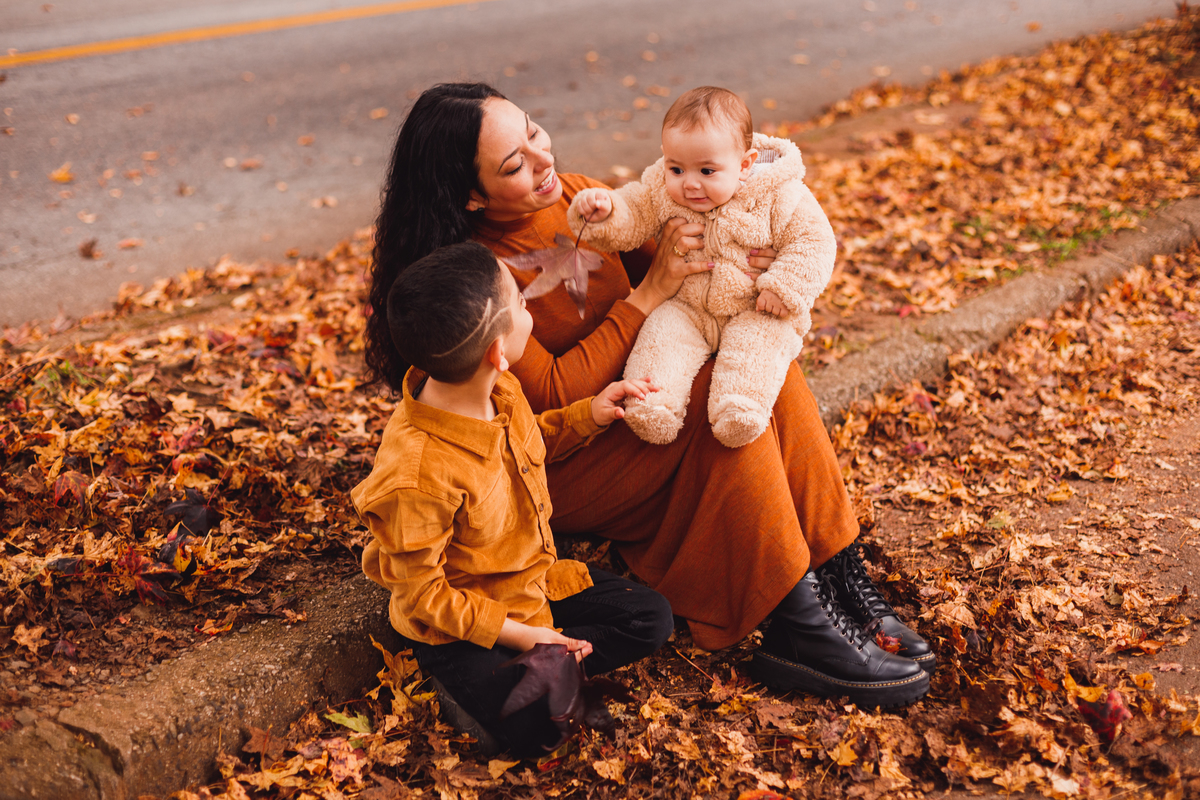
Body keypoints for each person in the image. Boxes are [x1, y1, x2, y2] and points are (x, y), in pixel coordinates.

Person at [365, 82, 934, 709]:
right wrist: (644, 299)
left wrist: (752, 257)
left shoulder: (579, 196)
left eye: (533, 132)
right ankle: (797, 623)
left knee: (766, 374)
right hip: (564, 453)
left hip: (629, 398)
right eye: (514, 165)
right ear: (472, 194)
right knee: (720, 418)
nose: (542, 159)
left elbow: (677, 244)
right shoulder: (476, 280)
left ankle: (839, 579)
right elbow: (553, 393)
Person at [351, 240, 674, 756]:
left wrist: (589, 414)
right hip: (460, 625)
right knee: (541, 733)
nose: (530, 304)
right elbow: (422, 597)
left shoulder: (497, 390)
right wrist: (526, 637)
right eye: (520, 303)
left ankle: (554, 657)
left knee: (651, 617)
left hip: (531, 582)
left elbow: (529, 441)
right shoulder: (415, 476)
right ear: (498, 352)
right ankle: (488, 679)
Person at [567, 86, 835, 449]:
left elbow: (814, 241)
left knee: (759, 346)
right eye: (676, 168)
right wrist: (608, 213)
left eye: (707, 170)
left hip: (755, 304)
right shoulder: (662, 187)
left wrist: (783, 285)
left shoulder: (779, 193)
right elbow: (636, 211)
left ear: (745, 164)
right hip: (688, 305)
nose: (689, 183)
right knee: (662, 334)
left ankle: (740, 408)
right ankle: (653, 403)